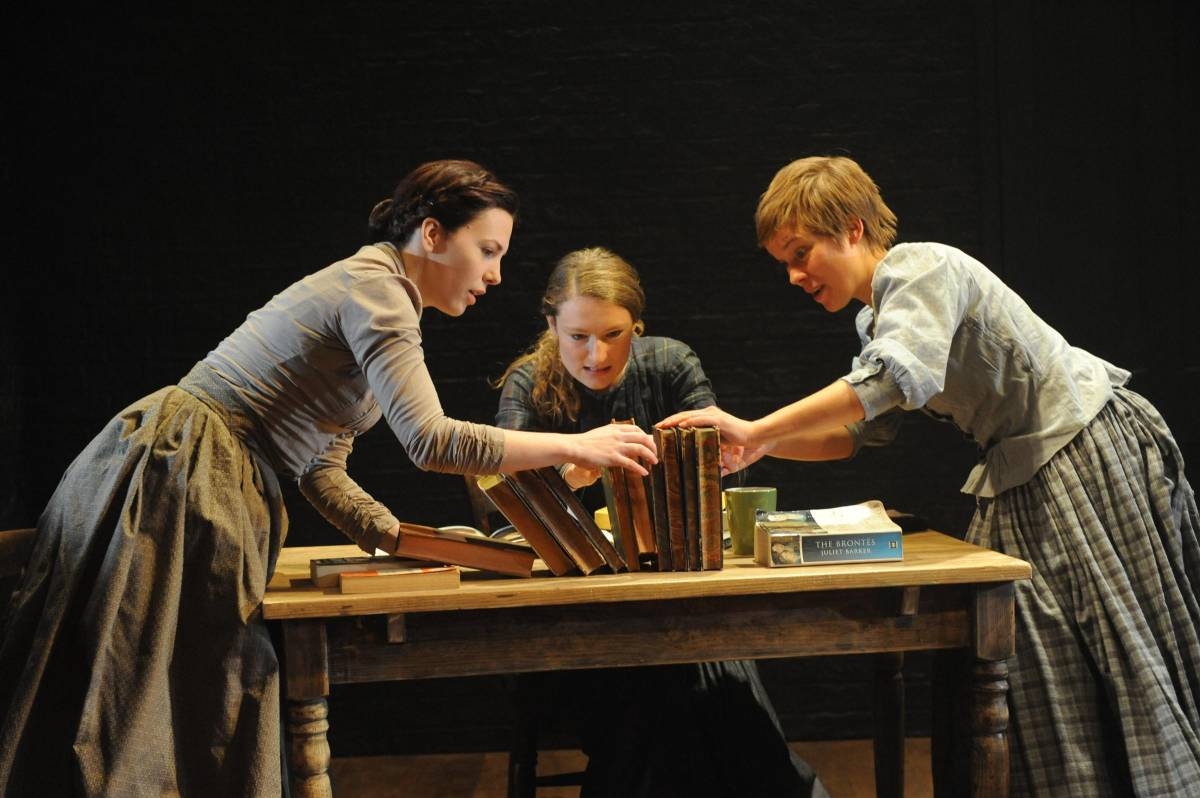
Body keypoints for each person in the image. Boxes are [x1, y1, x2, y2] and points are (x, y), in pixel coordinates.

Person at [0, 160, 657, 797]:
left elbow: (320, 465)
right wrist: (577, 445)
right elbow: (431, 441)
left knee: (203, 692)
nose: (495, 273)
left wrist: (404, 538)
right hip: (181, 478)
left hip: (211, 476)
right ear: (432, 234)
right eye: (487, 250)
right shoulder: (378, 293)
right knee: (152, 695)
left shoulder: (381, 294)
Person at [660, 155, 1200, 796]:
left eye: (802, 253)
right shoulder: (875, 320)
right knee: (1032, 661)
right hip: (1025, 467)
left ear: (852, 229)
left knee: (1113, 646)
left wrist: (759, 429)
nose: (795, 275)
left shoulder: (922, 267)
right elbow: (858, 432)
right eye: (784, 261)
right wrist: (759, 448)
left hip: (1081, 443)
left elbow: (890, 378)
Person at [495, 246, 828, 798]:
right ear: (552, 325)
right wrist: (570, 473)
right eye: (577, 335)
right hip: (576, 618)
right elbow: (504, 513)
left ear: (638, 328)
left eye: (614, 334)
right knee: (680, 671)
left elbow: (717, 471)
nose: (596, 354)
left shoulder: (669, 364)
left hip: (679, 593)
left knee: (697, 658)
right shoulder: (528, 383)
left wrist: (685, 468)